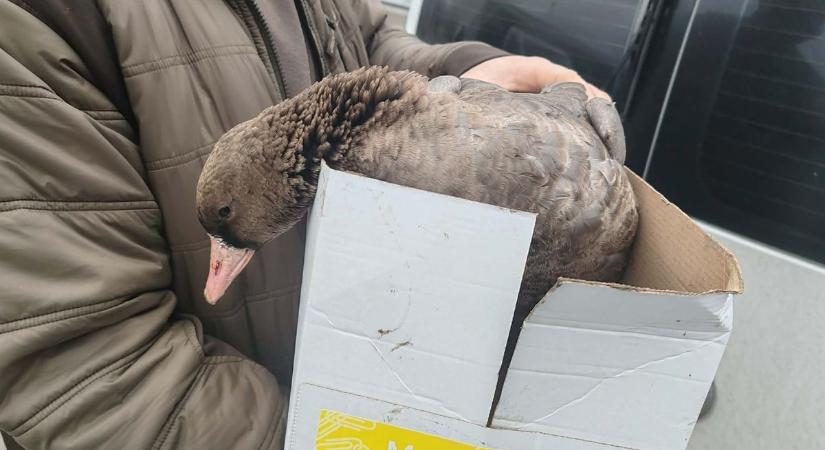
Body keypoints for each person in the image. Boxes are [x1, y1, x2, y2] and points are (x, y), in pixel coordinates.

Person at [0, 1, 607, 448]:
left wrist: (464, 70)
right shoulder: (37, 21)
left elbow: (362, 34)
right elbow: (84, 370)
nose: (223, 253)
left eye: (224, 223)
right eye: (223, 223)